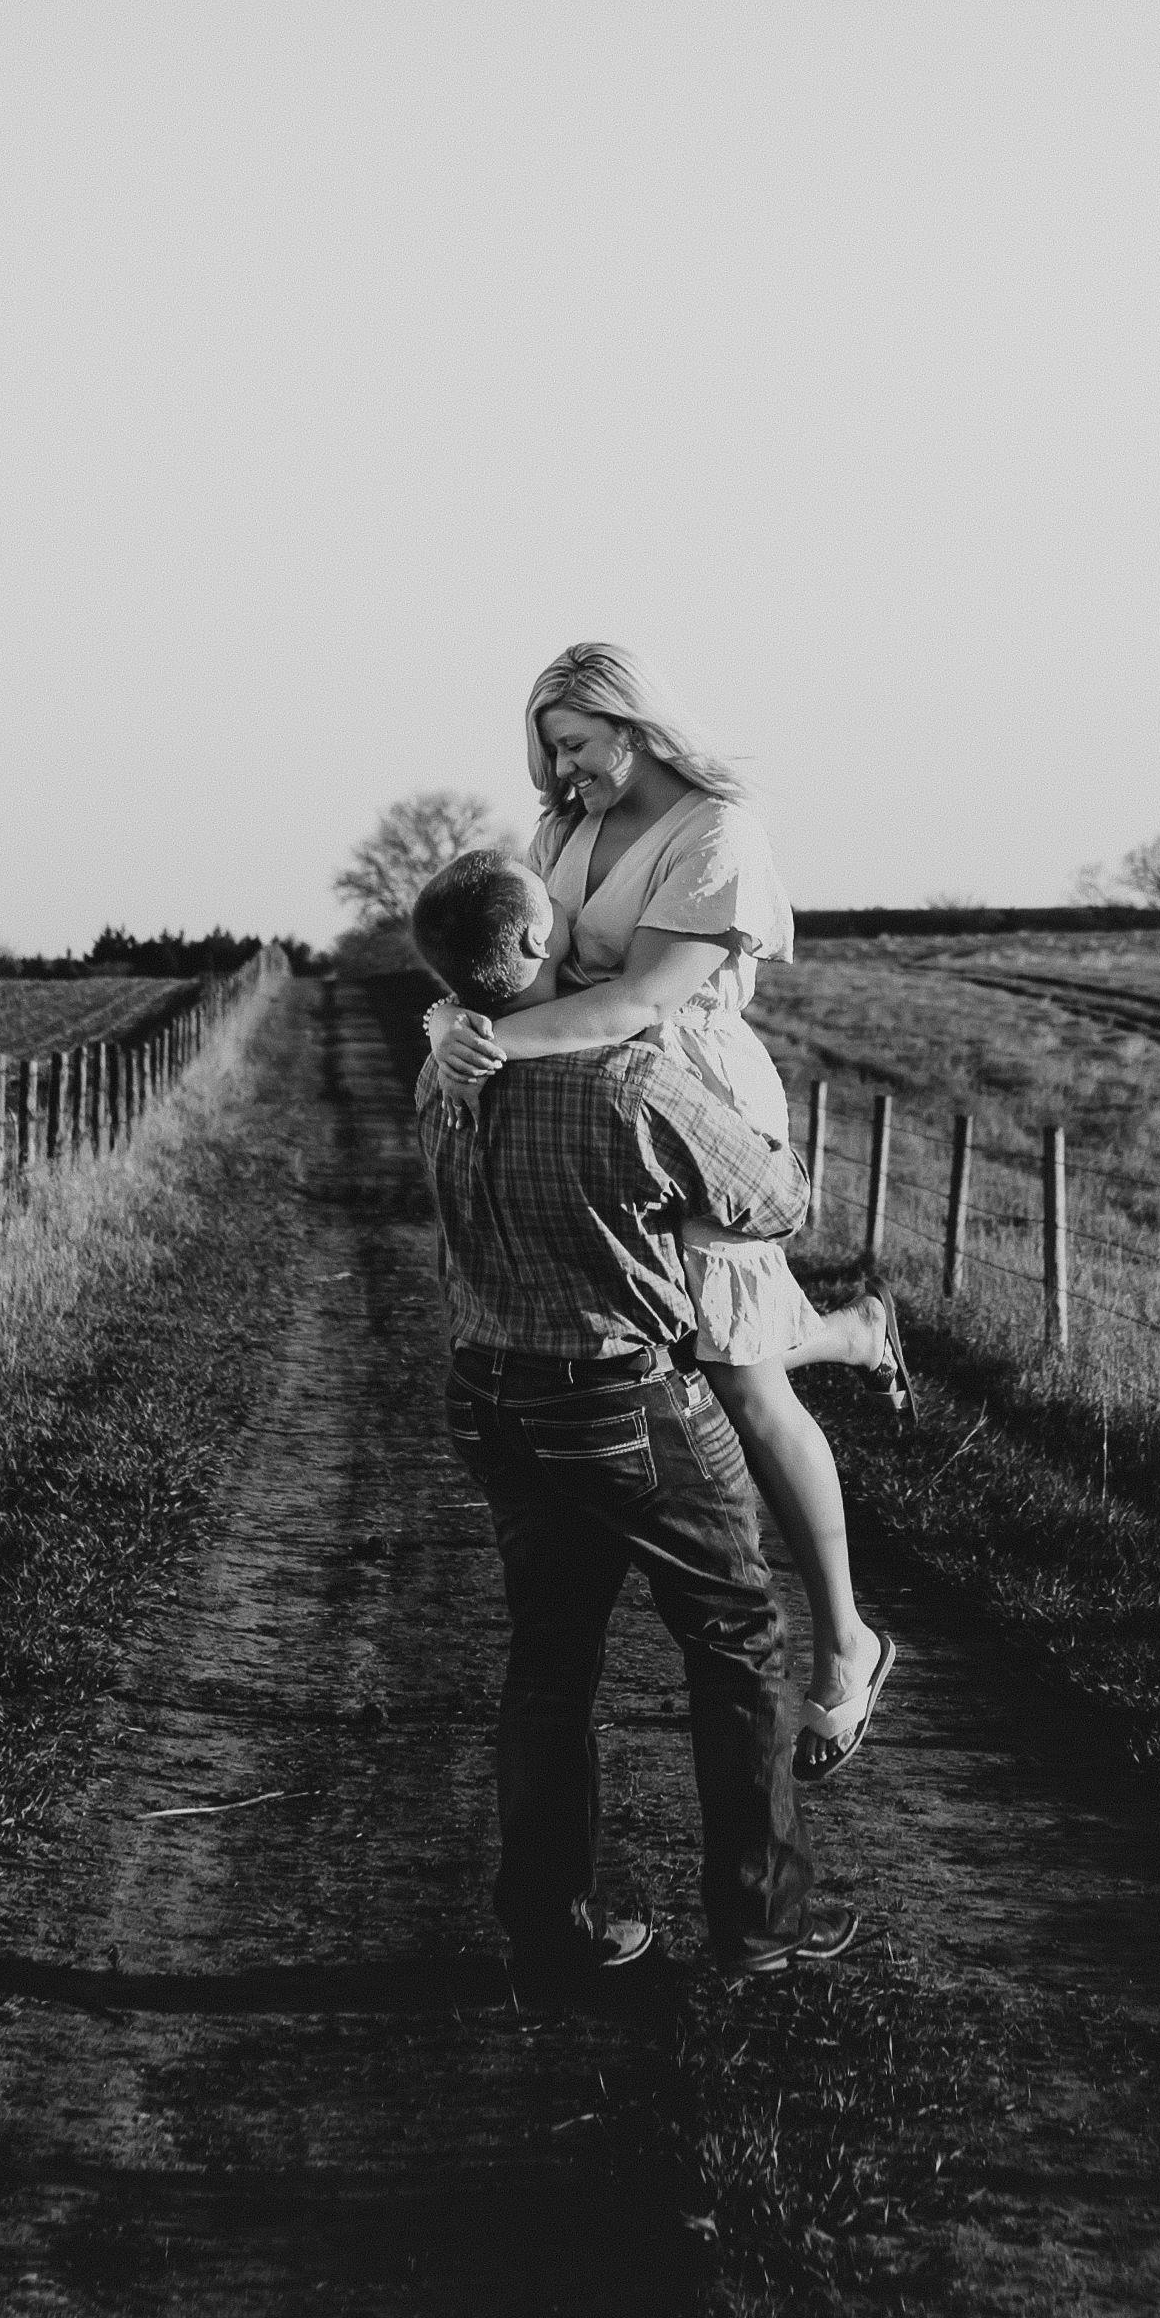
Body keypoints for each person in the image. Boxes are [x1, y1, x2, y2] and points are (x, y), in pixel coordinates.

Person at [424, 642, 904, 1781]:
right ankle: (849, 1334)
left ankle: (845, 1642)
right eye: (550, 751)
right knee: (659, 1348)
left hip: (679, 1098)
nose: (561, 771)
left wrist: (481, 1047)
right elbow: (505, 965)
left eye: (576, 745)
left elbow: (639, 999)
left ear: (633, 726)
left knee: (737, 1375)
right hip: (577, 1098)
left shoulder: (717, 833)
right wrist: (449, 1025)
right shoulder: (562, 829)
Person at [408, 842, 862, 1999]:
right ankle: (759, 1928)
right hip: (620, 1397)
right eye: (552, 909)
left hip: (491, 1394)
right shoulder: (627, 1079)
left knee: (548, 1659)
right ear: (529, 942)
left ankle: (549, 1933)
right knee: (736, 1640)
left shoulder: (440, 1076)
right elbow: (780, 1202)